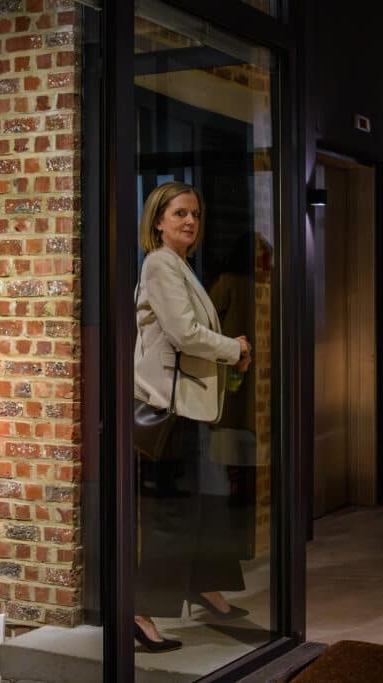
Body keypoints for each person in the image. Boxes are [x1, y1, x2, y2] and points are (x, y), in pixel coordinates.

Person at [133, 181, 252, 652]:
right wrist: (233, 348)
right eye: (180, 213)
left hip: (190, 409)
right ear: (158, 221)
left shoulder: (179, 265)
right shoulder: (160, 264)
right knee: (173, 516)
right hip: (172, 411)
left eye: (196, 214)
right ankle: (141, 612)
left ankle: (204, 585)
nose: (190, 221)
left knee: (204, 504)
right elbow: (184, 333)